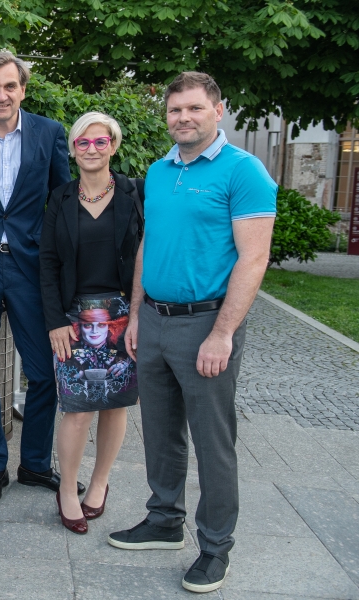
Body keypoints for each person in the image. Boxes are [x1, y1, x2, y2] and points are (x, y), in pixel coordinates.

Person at [108, 72, 276, 594]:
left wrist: (223, 333)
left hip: (207, 324)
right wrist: (137, 313)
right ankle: (164, 520)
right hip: (155, 321)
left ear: (218, 111)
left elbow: (253, 258)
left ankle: (216, 547)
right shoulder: (159, 172)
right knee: (159, 431)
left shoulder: (244, 171)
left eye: (194, 108)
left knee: (213, 441)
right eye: (175, 109)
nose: (183, 117)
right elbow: (149, 245)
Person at [0, 51, 79, 504]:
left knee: (45, 373)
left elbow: (61, 202)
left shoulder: (49, 133)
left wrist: (66, 268)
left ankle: (34, 464)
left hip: (31, 268)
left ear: (23, 90)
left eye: (10, 86)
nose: (1, 94)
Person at [40, 111, 143, 534]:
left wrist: (138, 315)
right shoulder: (60, 198)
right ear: (73, 150)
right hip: (74, 317)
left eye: (100, 141)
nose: (92, 149)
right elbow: (47, 264)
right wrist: (54, 321)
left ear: (113, 146)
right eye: (83, 142)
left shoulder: (135, 194)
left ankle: (99, 483)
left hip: (123, 313)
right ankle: (68, 489)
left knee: (115, 405)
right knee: (78, 408)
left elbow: (147, 254)